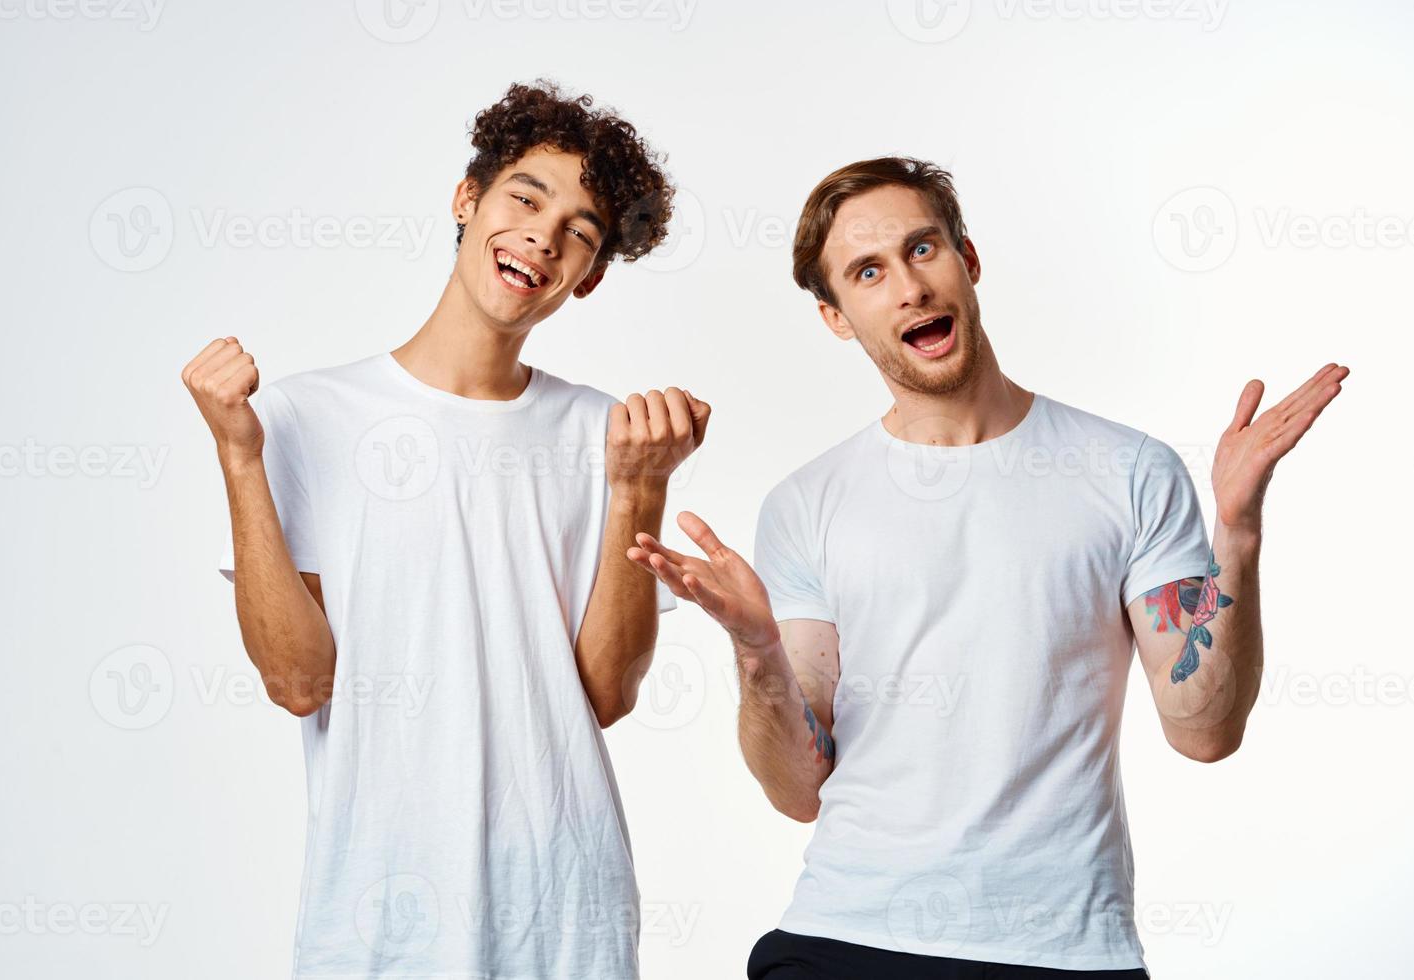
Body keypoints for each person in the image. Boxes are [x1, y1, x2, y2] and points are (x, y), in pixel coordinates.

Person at [627, 156, 1347, 979]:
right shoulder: (807, 502)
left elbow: (1204, 731)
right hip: (843, 938)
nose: (909, 288)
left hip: (1063, 951)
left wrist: (1238, 532)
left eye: (923, 250)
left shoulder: (1128, 470)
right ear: (836, 317)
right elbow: (799, 791)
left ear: (968, 261)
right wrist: (756, 647)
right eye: (869, 272)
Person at [182, 81, 706, 979]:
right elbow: (299, 681)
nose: (544, 235)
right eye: (526, 197)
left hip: (566, 917)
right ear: (468, 201)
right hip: (376, 921)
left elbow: (607, 696)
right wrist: (239, 458)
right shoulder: (307, 417)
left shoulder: (607, 435)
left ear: (587, 278)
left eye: (580, 231)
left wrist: (638, 489)